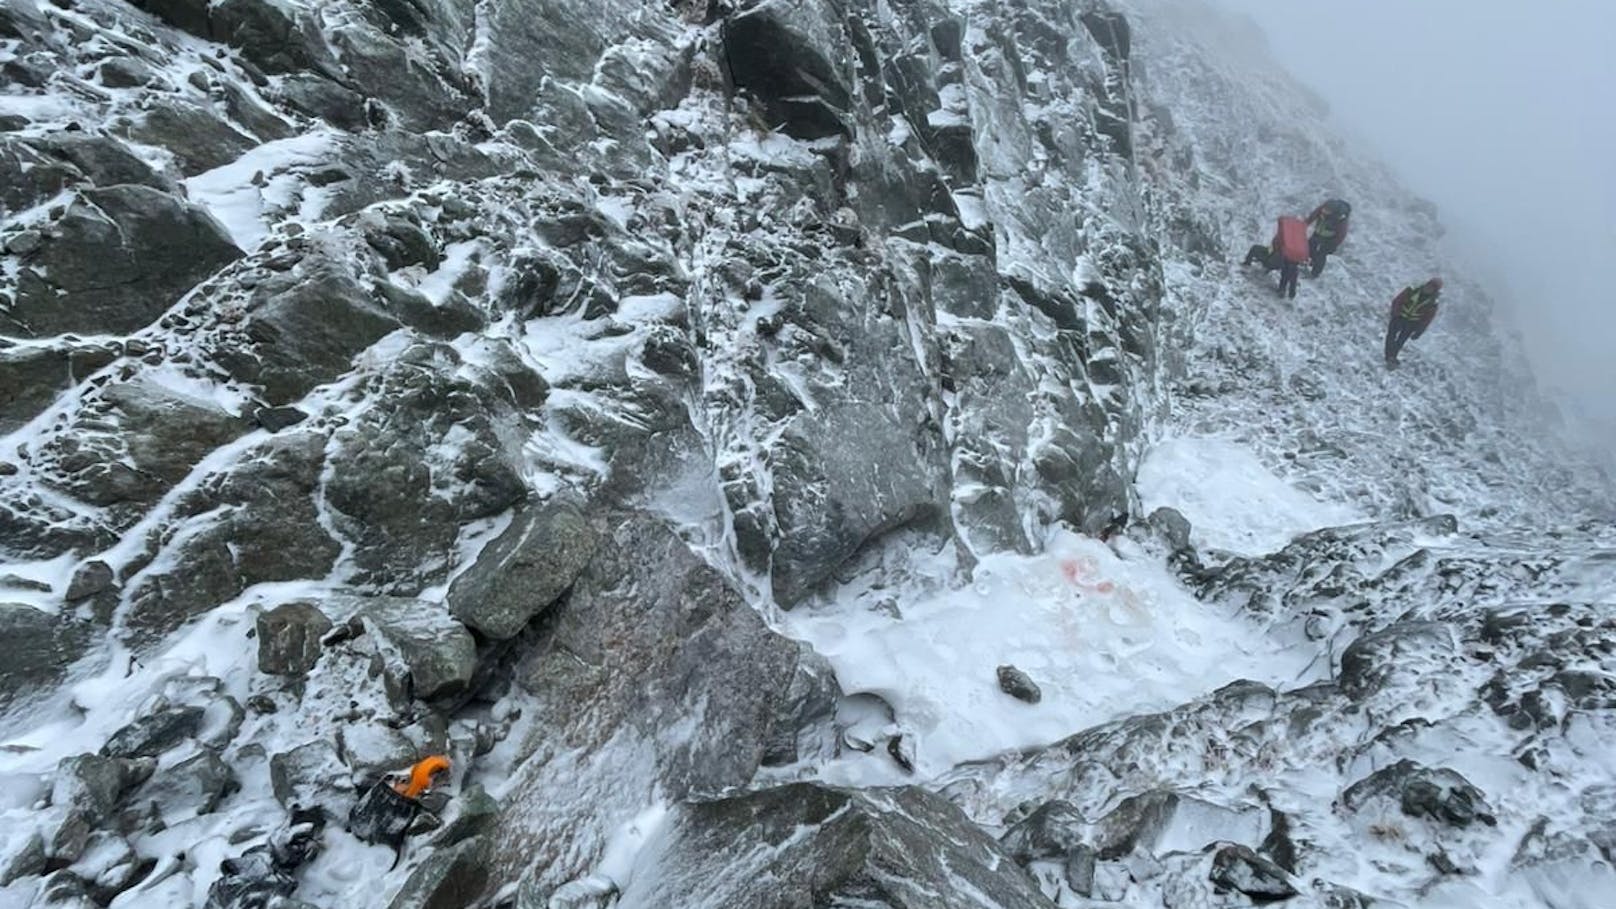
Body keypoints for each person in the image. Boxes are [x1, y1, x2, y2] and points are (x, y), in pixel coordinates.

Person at [1243, 215, 1309, 299]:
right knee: (1288, 272)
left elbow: (1274, 247)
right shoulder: (1297, 242)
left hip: (1273, 259)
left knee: (1255, 249)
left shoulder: (1284, 236)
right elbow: (1294, 275)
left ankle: (1247, 263)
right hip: (1282, 260)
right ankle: (1283, 290)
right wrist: (1292, 291)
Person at [1384, 277, 1442, 368]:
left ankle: (1392, 357)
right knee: (1391, 336)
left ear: (1434, 291)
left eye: (1432, 288)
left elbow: (1427, 319)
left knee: (1400, 341)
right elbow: (1398, 300)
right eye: (1428, 285)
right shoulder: (1412, 290)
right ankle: (1389, 357)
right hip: (1399, 317)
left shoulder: (1433, 303)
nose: (1428, 289)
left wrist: (1419, 331)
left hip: (1411, 323)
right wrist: (1395, 313)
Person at [1305, 199, 1351, 277]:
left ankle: (1315, 273)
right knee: (1310, 246)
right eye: (1324, 209)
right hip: (1318, 232)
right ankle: (1311, 261)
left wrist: (1332, 245)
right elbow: (1312, 216)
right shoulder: (1323, 208)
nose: (1323, 211)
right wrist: (1304, 225)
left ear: (1333, 212)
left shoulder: (1340, 219)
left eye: (1327, 210)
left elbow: (1341, 235)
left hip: (1330, 239)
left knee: (1321, 255)